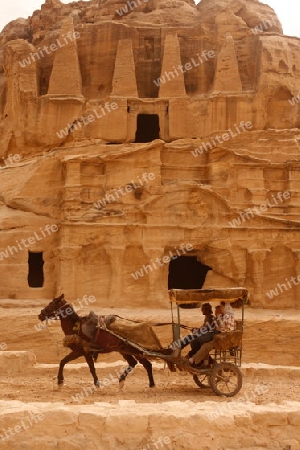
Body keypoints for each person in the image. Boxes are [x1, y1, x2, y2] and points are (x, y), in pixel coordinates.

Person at [189, 302, 235, 366]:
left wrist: (218, 327)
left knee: (202, 343)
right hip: (217, 336)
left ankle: (196, 360)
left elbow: (226, 329)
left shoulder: (226, 316)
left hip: (221, 338)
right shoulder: (221, 316)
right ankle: (203, 361)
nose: (217, 310)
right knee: (201, 343)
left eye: (221, 307)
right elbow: (214, 327)